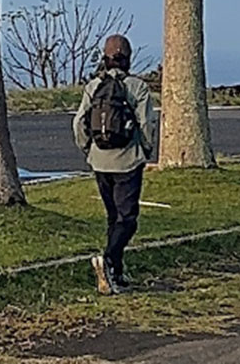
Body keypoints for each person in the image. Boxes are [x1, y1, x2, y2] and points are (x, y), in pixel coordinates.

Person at [72, 33, 157, 294]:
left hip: (100, 161)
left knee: (113, 217)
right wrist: (145, 149)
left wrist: (89, 149)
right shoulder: (138, 87)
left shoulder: (93, 87)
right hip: (127, 162)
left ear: (105, 58)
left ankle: (115, 274)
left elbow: (79, 123)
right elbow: (145, 124)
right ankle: (109, 260)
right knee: (128, 219)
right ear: (128, 59)